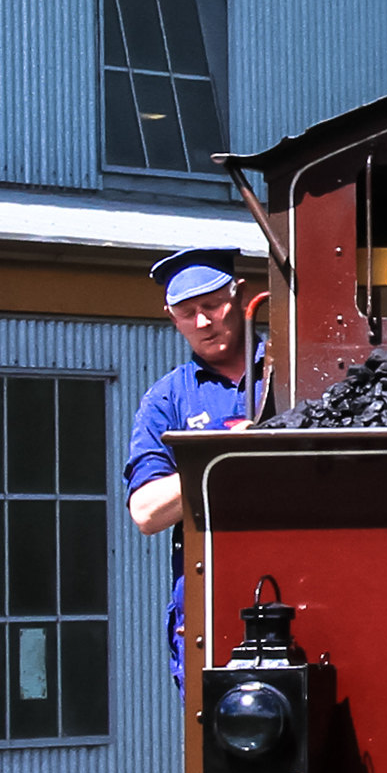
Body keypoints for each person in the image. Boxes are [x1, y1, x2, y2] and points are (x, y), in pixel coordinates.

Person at [126, 246, 268, 683]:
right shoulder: (166, 399)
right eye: (188, 312)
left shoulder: (296, 369)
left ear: (240, 296)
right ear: (172, 318)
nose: (203, 322)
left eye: (212, 305)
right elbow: (146, 512)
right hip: (210, 609)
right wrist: (224, 455)